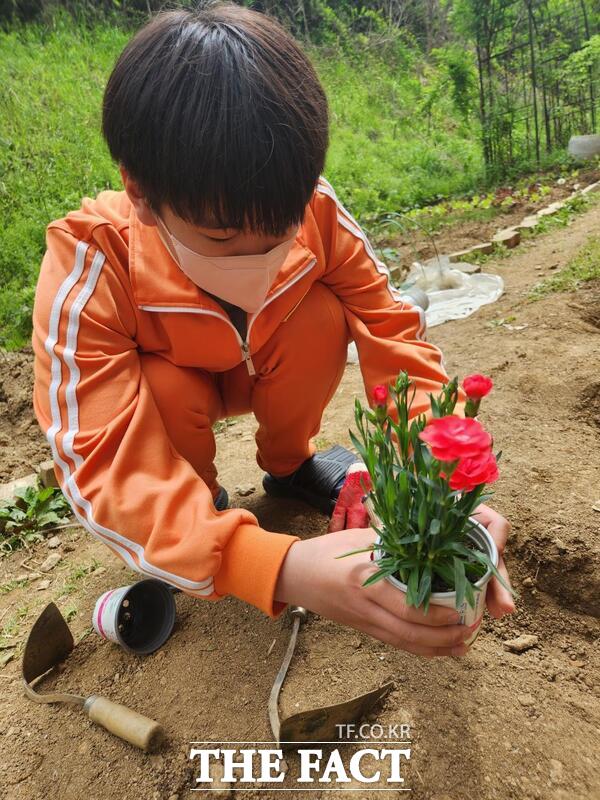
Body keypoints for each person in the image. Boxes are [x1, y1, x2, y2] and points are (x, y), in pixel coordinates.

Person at [31, 2, 514, 659]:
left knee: (321, 312)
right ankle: (201, 509)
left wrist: (440, 477)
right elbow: (99, 462)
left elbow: (391, 328)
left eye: (279, 237)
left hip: (271, 360)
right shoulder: (90, 265)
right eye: (222, 240)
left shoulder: (317, 210)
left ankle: (289, 466)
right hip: (180, 388)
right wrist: (274, 565)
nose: (257, 267)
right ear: (139, 192)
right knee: (162, 388)